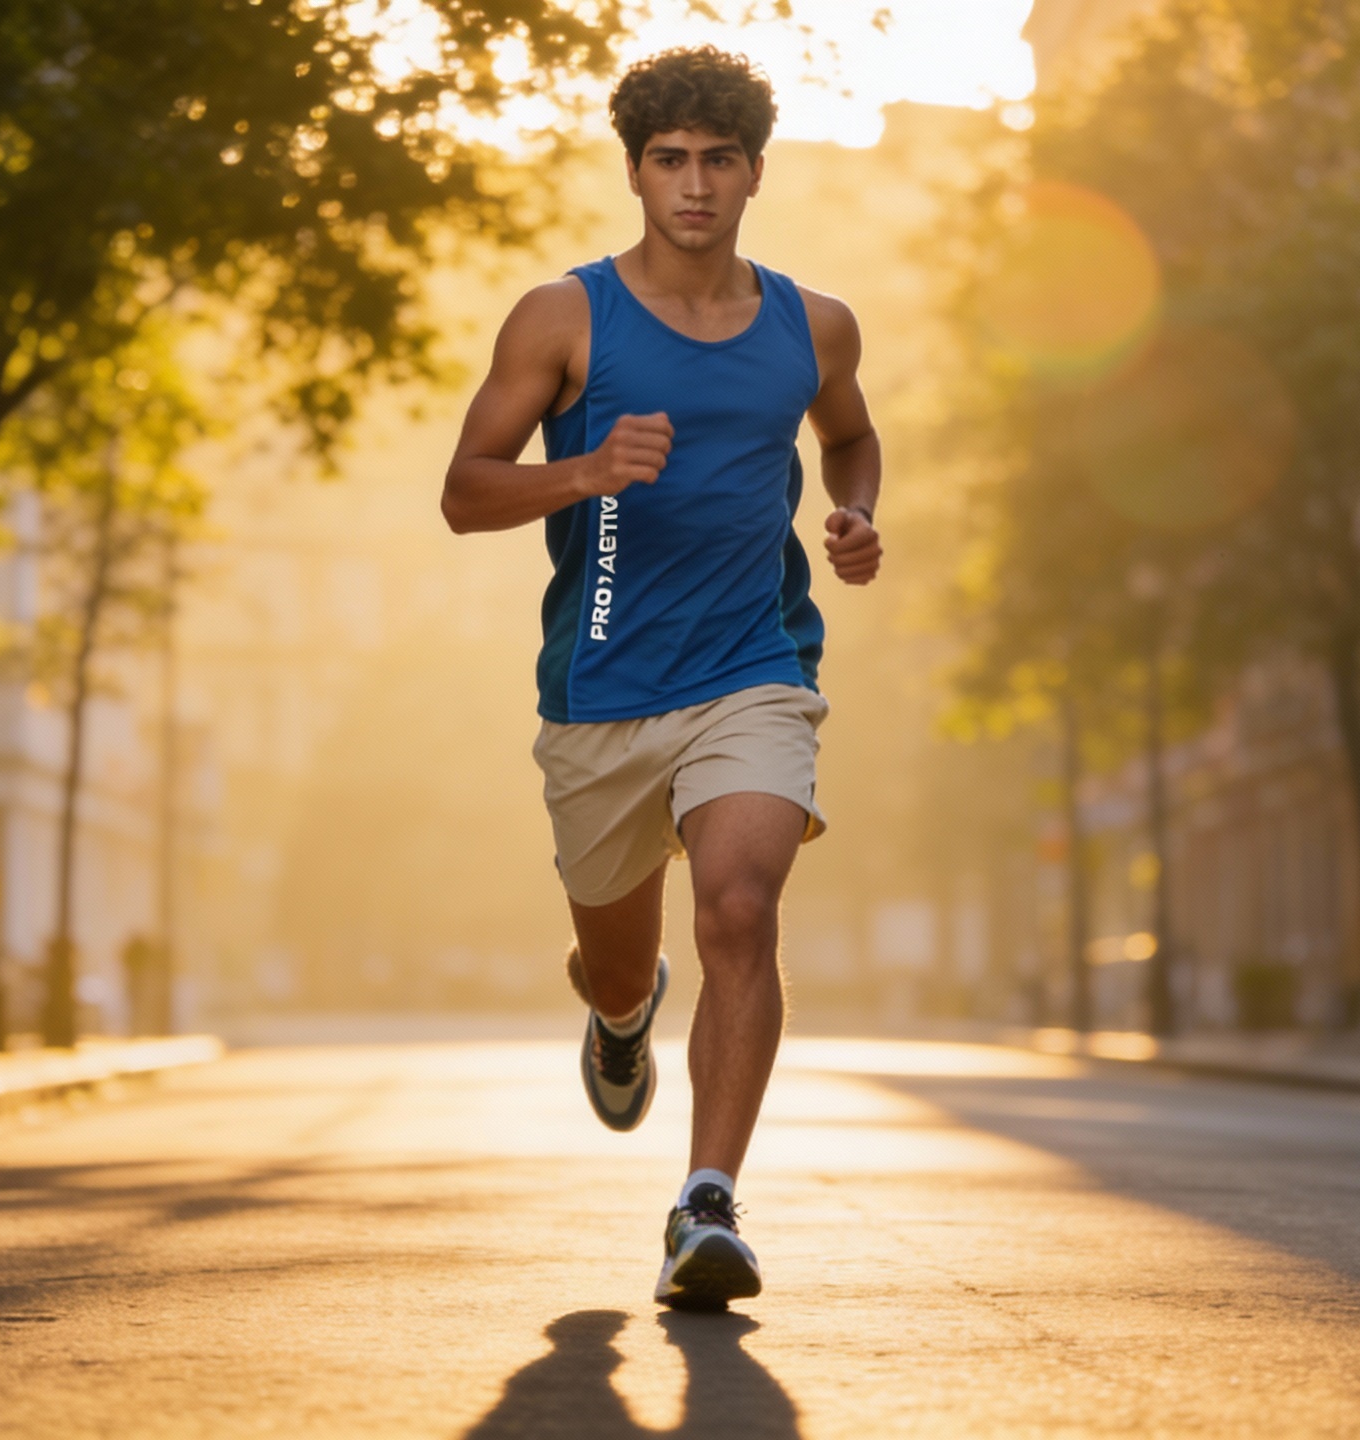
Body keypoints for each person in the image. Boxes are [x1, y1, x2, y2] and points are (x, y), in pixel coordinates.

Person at [441, 45, 883, 1309]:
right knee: (622, 959)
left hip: (756, 665)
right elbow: (464, 492)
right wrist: (581, 473)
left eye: (718, 161)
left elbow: (847, 433)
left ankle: (706, 1203)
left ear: (753, 173)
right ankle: (623, 1015)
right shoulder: (564, 317)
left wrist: (852, 518)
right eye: (670, 160)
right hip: (599, 691)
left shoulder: (814, 323)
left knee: (741, 907)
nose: (694, 184)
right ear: (635, 170)